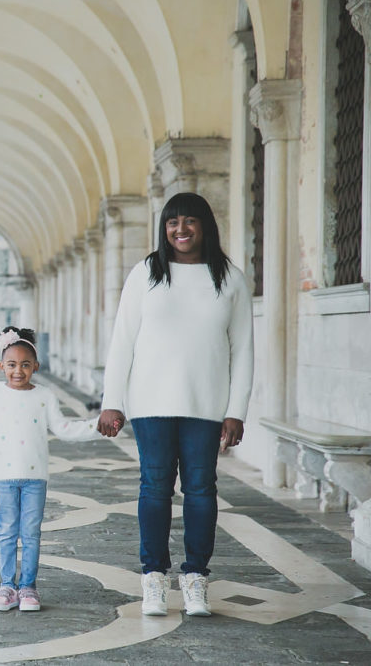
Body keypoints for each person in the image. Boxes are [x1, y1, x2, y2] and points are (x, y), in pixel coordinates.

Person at [96, 192, 254, 618]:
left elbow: (243, 350)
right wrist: (113, 402)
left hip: (207, 404)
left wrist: (236, 409)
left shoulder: (230, 279)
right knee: (155, 488)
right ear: (163, 228)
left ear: (205, 225)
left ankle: (196, 580)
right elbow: (122, 341)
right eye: (172, 222)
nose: (180, 230)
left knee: (201, 490)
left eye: (189, 221)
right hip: (150, 402)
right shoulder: (146, 273)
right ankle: (154, 580)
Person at [0, 326, 98, 612]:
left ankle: (28, 587)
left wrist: (96, 426)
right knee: (6, 532)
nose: (18, 371)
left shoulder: (44, 396)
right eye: (12, 365)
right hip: (4, 477)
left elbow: (64, 428)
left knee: (31, 533)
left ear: (36, 366)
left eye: (25, 365)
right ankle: (6, 586)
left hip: (35, 477)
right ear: (1, 366)